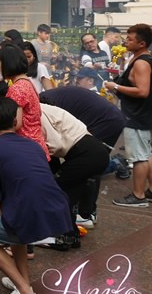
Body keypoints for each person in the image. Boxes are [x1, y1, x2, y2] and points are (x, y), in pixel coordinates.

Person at [0, 97, 72, 294]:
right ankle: (22, 281)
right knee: (15, 233)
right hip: (57, 208)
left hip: (29, 212)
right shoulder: (33, 145)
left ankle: (26, 293)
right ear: (16, 121)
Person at [40, 85, 127, 227]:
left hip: (105, 121)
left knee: (87, 164)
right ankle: (82, 212)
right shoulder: (45, 98)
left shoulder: (41, 107)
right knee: (82, 165)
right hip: (105, 117)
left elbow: (54, 142)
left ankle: (86, 213)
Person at [106, 24, 152, 208]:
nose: (126, 41)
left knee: (139, 157)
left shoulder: (141, 62)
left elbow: (142, 91)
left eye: (130, 39)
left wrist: (115, 86)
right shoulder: (138, 58)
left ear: (141, 43)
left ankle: (138, 196)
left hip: (137, 116)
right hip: (143, 115)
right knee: (148, 154)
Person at [0, 43, 49, 160]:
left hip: (26, 148)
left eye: (0, 64)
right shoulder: (26, 82)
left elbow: (14, 123)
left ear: (8, 64)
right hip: (35, 145)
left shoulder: (17, 88)